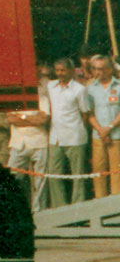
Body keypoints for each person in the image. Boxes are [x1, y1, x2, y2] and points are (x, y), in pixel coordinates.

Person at [44, 57, 92, 208]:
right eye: (57, 70)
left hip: (75, 137)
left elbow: (85, 113)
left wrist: (78, 130)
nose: (60, 73)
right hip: (55, 137)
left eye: (63, 70)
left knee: (78, 174)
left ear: (71, 71)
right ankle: (60, 206)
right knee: (53, 173)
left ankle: (79, 206)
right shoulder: (50, 86)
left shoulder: (79, 89)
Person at [86, 54, 120, 200]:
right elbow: (89, 113)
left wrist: (109, 128)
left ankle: (116, 204)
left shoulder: (118, 86)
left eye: (100, 69)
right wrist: (101, 130)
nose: (97, 72)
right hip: (98, 136)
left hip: (116, 135)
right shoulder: (90, 89)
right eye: (94, 69)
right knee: (99, 170)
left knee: (116, 171)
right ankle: (100, 202)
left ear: (109, 69)